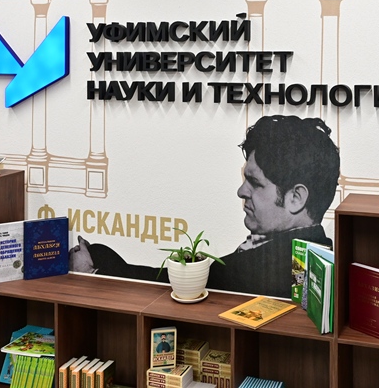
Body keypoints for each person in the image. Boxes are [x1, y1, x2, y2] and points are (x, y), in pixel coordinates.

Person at [71, 114, 341, 298]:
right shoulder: (311, 251)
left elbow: (169, 290)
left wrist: (92, 274)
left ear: (296, 198)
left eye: (255, 183)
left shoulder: (267, 267)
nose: (241, 191)